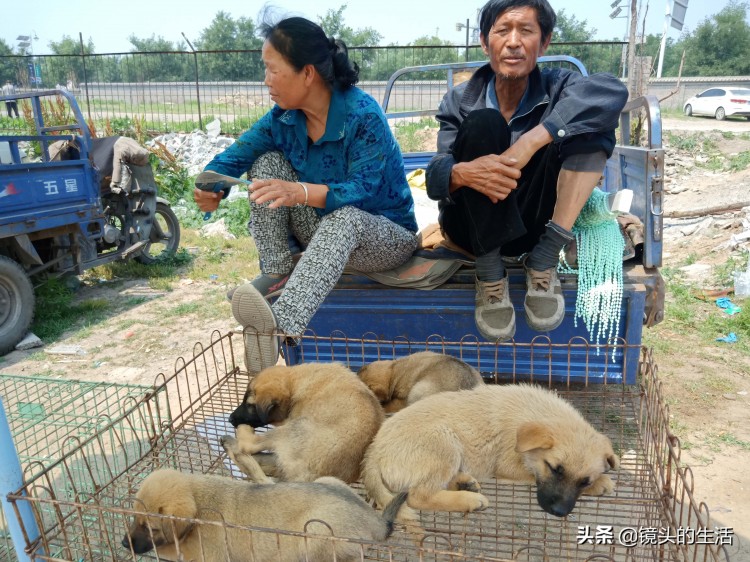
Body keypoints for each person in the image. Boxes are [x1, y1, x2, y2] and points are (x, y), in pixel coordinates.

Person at [194, 16, 418, 373]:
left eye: (272, 70)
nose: (266, 81)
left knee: (344, 217)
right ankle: (277, 272)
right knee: (266, 163)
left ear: (307, 73)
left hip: (384, 237)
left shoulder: (362, 115)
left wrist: (298, 192)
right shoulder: (283, 118)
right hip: (322, 233)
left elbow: (361, 190)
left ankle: (281, 324)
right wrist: (211, 188)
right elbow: (235, 156)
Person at [425, 0, 628, 342]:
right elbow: (435, 177)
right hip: (473, 230)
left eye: (527, 31)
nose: (514, 41)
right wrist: (464, 173)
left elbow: (611, 91)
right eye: (503, 30)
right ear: (484, 41)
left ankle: (544, 259)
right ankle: (489, 276)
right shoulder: (459, 100)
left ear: (544, 42)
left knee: (592, 127)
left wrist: (535, 138)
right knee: (484, 123)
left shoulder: (560, 87)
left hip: (536, 225)